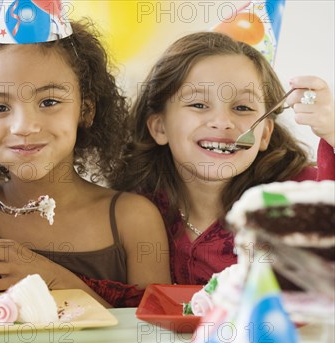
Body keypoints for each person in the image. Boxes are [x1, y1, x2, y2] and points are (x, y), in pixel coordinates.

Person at [0, 19, 171, 307]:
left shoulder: (133, 219)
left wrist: (52, 278)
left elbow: (150, 333)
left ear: (85, 110)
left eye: (48, 102)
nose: (24, 126)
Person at [112, 31, 335, 285]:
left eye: (242, 108)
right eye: (198, 105)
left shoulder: (295, 195)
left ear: (264, 135)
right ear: (160, 127)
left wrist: (332, 131)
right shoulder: (136, 209)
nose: (222, 123)